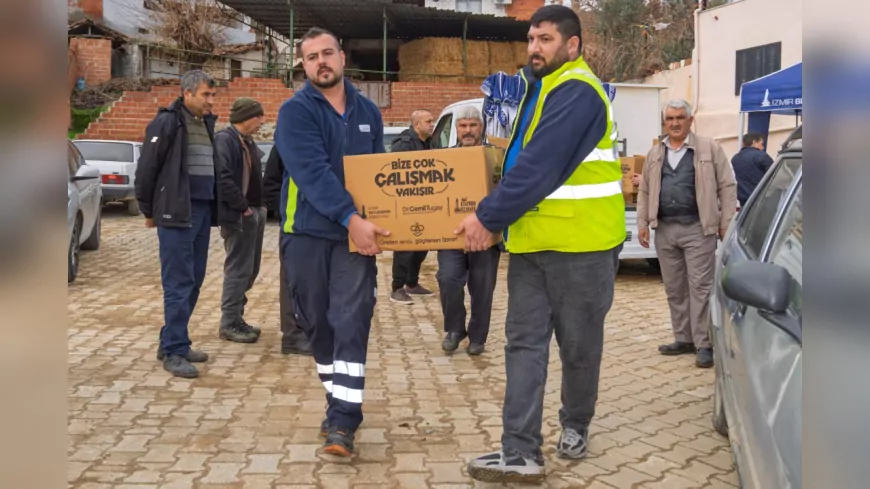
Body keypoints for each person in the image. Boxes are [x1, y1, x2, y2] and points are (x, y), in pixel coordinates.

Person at [456, 5, 626, 482]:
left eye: (545, 39)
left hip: (583, 246)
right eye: (531, 38)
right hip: (532, 246)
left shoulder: (578, 91)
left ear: (572, 46)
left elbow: (541, 166)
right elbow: (518, 163)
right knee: (523, 346)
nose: (534, 47)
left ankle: (576, 422)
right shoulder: (540, 89)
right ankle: (520, 450)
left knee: (578, 347)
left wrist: (487, 218)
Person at [275, 26, 389, 457]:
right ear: (303, 65)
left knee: (352, 319)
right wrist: (349, 217)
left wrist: (379, 221)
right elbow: (312, 173)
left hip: (353, 240)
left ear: (342, 57)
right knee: (318, 326)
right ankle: (335, 401)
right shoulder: (296, 112)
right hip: (305, 235)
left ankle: (343, 421)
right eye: (310, 57)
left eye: (327, 53)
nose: (320, 62)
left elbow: (378, 175)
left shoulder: (369, 112)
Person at [636, 99, 737, 369]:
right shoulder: (655, 154)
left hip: (697, 229)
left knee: (701, 288)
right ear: (664, 123)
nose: (675, 123)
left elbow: (727, 187)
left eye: (680, 117)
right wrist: (643, 223)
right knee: (674, 288)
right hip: (665, 230)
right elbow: (645, 190)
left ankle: (704, 344)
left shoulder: (709, 148)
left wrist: (725, 222)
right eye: (670, 119)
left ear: (690, 121)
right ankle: (684, 338)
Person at [135, 70, 220, 379]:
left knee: (194, 280)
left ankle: (173, 340)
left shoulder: (205, 123)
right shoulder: (168, 122)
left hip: (201, 212)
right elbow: (147, 168)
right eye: (205, 95)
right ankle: (174, 351)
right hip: (175, 213)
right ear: (187, 94)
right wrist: (148, 209)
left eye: (213, 95)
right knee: (178, 283)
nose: (211, 100)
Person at [438, 106, 501, 356]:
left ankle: (478, 337)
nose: (467, 130)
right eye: (463, 125)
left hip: (486, 235)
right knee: (447, 279)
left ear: (481, 127)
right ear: (456, 129)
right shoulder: (444, 158)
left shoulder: (494, 156)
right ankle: (454, 329)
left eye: (472, 125)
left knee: (482, 288)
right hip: (452, 234)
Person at [214, 97, 266, 344]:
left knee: (250, 270)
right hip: (239, 215)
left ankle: (237, 318)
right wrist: (242, 207)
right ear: (248, 117)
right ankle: (229, 323)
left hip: (254, 212)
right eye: (259, 116)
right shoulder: (226, 140)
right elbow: (223, 178)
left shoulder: (246, 141)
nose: (262, 122)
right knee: (238, 270)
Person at [262, 145, 313, 355]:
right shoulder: (287, 142)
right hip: (294, 226)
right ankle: (292, 335)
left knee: (315, 282)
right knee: (292, 281)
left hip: (322, 224)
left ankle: (311, 330)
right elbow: (271, 184)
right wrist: (284, 212)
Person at [389, 109, 436, 304]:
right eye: (429, 121)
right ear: (417, 125)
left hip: (424, 202)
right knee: (405, 246)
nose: (432, 124)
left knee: (423, 244)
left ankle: (412, 283)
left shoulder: (429, 142)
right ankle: (397, 288)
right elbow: (398, 172)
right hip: (407, 204)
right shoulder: (404, 144)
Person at [731, 132, 774, 207]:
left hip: (744, 200)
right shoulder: (762, 156)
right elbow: (775, 175)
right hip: (761, 198)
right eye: (761, 144)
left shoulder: (735, 159)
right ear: (754, 142)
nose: (763, 147)